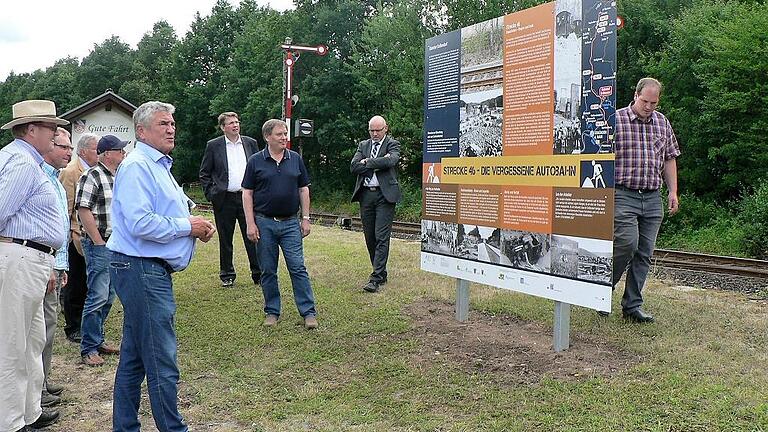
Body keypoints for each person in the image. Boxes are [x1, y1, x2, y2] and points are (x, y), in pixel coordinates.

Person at [107, 101, 215, 431]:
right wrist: (187, 227)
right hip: (141, 269)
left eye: (172, 123)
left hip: (145, 270)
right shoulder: (139, 165)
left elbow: (173, 210)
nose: (171, 129)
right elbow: (140, 223)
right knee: (160, 358)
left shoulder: (157, 165)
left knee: (135, 357)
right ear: (141, 131)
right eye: (163, 124)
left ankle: (124, 427)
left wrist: (194, 223)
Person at [0, 99, 69, 432]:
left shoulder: (28, 162)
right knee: (13, 344)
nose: (55, 134)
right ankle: (11, 422)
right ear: (31, 130)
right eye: (50, 128)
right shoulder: (21, 163)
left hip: (32, 257)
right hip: (20, 257)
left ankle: (29, 412)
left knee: (31, 340)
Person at [611, 77, 680, 323]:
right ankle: (602, 289)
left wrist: (673, 191)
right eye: (645, 101)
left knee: (644, 253)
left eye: (654, 102)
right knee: (626, 244)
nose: (649, 106)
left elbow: (670, 158)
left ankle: (632, 306)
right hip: (622, 193)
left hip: (652, 196)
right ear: (635, 95)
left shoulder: (662, 123)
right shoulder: (615, 120)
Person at [242, 119, 318, 330]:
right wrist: (250, 223)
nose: (284, 137)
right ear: (267, 137)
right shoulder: (255, 161)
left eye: (285, 133)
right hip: (264, 223)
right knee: (268, 270)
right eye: (280, 134)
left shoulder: (295, 159)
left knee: (297, 267)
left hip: (291, 224)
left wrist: (305, 218)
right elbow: (247, 193)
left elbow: (303, 189)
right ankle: (272, 311)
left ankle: (308, 312)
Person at [75, 135, 126, 367]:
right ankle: (89, 348)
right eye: (120, 150)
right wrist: (97, 241)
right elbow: (83, 209)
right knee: (97, 296)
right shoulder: (92, 175)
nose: (123, 153)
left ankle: (98, 339)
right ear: (107, 154)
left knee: (109, 296)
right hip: (101, 244)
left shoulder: (119, 176)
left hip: (116, 245)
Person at [199, 112, 261, 287]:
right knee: (225, 239)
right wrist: (211, 193)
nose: (235, 125)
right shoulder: (213, 146)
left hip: (246, 198)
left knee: (253, 236)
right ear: (223, 127)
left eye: (237, 122)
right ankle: (227, 274)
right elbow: (204, 173)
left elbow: (259, 169)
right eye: (231, 123)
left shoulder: (250, 143)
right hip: (224, 198)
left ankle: (258, 273)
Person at [39, 127, 74, 410]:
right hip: (44, 265)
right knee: (41, 330)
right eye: (63, 147)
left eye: (71, 147)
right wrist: (52, 265)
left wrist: (62, 266)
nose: (68, 152)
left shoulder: (55, 179)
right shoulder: (39, 177)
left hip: (56, 265)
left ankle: (42, 381)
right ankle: (36, 390)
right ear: (49, 147)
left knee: (48, 327)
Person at [350, 115, 401, 293]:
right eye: (371, 130)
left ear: (385, 128)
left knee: (381, 236)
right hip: (366, 196)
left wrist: (368, 162)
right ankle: (381, 271)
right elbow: (354, 166)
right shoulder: (363, 145)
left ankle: (376, 277)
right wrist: (379, 162)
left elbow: (391, 161)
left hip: (384, 196)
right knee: (369, 237)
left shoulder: (393, 144)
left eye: (378, 130)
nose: (374, 133)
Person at [58, 133, 99, 344]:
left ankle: (85, 322)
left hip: (90, 234)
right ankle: (73, 326)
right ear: (83, 151)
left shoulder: (96, 171)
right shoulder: (71, 172)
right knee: (76, 282)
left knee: (88, 281)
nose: (99, 153)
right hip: (75, 235)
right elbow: (66, 207)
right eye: (96, 149)